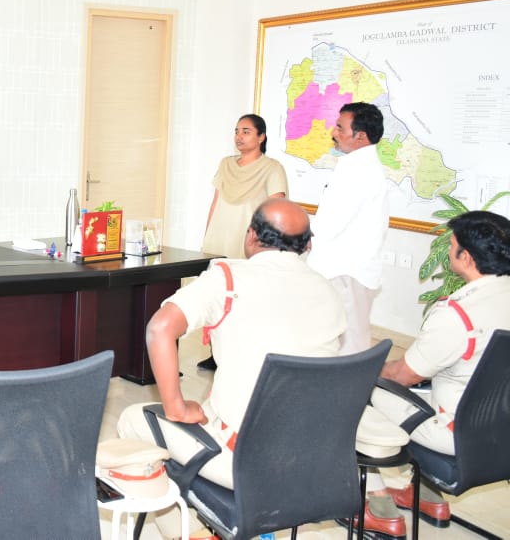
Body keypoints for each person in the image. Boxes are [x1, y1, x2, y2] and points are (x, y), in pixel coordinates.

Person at [117, 199, 345, 492]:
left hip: (249, 464)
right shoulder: (328, 290)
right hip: (316, 460)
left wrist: (176, 408)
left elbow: (159, 328)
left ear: (251, 235)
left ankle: (182, 515)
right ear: (307, 245)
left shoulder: (226, 280)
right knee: (210, 407)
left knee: (132, 419)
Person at [364, 210, 510, 529]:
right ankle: (425, 496)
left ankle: (378, 506)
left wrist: (366, 369)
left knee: (358, 393)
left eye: (452, 245)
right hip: (501, 428)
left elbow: (403, 375)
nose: (449, 251)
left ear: (466, 257)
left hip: (457, 433)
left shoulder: (459, 315)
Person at [198, 113, 288, 370]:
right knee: (217, 295)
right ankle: (215, 354)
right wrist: (207, 235)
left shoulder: (272, 168)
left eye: (246, 131)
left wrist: (267, 244)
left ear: (261, 137)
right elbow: (216, 201)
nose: (239, 136)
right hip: (219, 238)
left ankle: (240, 354)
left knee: (244, 298)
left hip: (248, 241)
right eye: (237, 131)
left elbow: (276, 206)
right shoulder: (226, 164)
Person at [307, 101, 389, 355]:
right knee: (338, 338)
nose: (334, 132)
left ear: (360, 136)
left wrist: (302, 237)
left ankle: (352, 382)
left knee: (350, 343)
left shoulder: (359, 171)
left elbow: (331, 222)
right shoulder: (356, 165)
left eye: (340, 128)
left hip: (346, 271)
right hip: (342, 268)